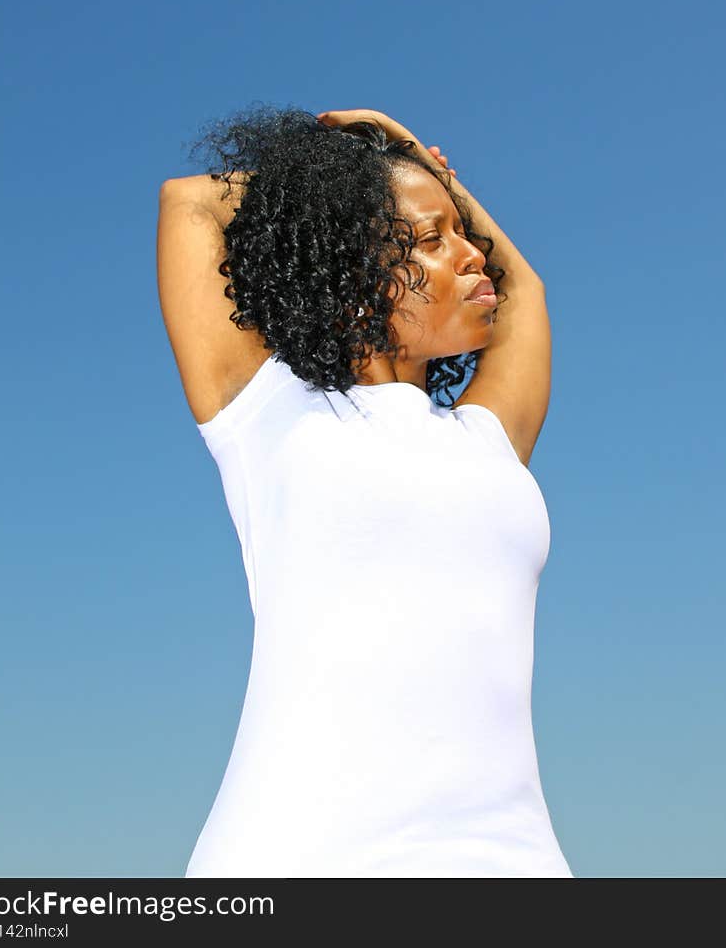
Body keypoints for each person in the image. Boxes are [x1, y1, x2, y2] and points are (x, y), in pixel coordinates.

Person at [156, 105, 572, 877]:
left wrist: (421, 161)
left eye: (465, 232)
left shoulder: (485, 439)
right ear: (351, 265)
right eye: (430, 238)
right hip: (303, 854)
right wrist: (339, 180)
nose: (473, 254)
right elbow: (190, 202)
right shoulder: (268, 413)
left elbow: (527, 293)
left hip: (513, 859)